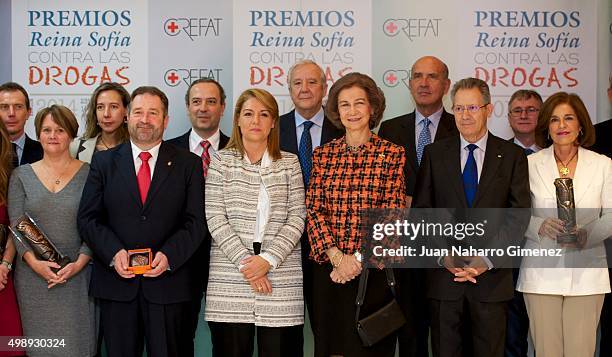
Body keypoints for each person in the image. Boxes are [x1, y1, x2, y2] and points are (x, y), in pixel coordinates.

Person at [77, 86, 205, 357]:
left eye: (153, 113)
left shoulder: (188, 164)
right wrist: (114, 253)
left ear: (166, 120)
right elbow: (88, 218)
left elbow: (196, 222)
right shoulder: (103, 163)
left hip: (169, 286)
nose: (145, 119)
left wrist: (169, 256)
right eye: (138, 112)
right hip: (117, 285)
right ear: (127, 117)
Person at [412, 77, 531, 357]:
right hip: (445, 281)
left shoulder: (512, 155)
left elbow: (518, 215)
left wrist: (487, 259)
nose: (465, 116)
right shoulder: (434, 154)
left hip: (491, 282)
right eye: (459, 108)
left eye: (473, 108)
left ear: (488, 110)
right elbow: (423, 213)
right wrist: (444, 256)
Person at [306, 72, 408, 357]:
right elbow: (314, 209)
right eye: (345, 105)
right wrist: (338, 258)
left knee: (370, 348)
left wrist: (357, 260)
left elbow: (393, 215)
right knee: (331, 347)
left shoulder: (392, 153)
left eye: (359, 103)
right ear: (337, 111)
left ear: (372, 108)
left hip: (373, 272)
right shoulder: (323, 155)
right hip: (330, 272)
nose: (352, 111)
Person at [205, 88, 306, 357]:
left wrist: (268, 260)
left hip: (280, 277)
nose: (256, 121)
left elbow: (297, 216)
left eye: (264, 114)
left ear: (273, 121)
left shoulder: (290, 163)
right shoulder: (220, 161)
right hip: (231, 277)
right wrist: (248, 265)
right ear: (237, 120)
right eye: (248, 114)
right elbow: (215, 217)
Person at [516, 92, 612, 357]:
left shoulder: (603, 165)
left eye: (569, 118)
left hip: (587, 273)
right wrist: (538, 225)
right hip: (541, 274)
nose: (562, 126)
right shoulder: (527, 164)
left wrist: (588, 234)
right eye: (555, 120)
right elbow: (514, 214)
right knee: (546, 352)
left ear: (580, 124)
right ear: (547, 126)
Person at [378, 55, 457, 357]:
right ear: (410, 83)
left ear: (446, 85)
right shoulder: (389, 129)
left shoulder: (460, 127)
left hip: (447, 246)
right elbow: (381, 187)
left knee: (447, 336)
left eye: (432, 76)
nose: (424, 83)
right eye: (418, 76)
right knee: (409, 337)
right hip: (403, 250)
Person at [8, 105, 95, 357]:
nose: (53, 135)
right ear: (38, 134)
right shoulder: (21, 175)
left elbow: (96, 222)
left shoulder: (90, 174)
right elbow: (16, 225)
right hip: (34, 280)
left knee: (77, 347)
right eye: (46, 130)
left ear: (71, 134)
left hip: (77, 277)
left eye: (60, 129)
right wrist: (35, 264)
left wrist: (79, 263)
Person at [279, 59, 343, 337]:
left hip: (331, 246)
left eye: (312, 82)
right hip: (282, 247)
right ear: (290, 89)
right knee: (285, 332)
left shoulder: (343, 128)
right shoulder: (270, 129)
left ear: (325, 87)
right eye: (297, 83)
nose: (304, 89)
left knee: (328, 330)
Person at [167, 78, 230, 349]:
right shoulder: (166, 151)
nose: (203, 108)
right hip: (182, 259)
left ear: (223, 107)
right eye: (196, 101)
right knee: (180, 338)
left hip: (228, 258)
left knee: (228, 341)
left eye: (211, 101)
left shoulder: (239, 149)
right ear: (187, 107)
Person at [504, 89, 542, 357]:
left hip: (549, 258)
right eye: (518, 110)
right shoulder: (498, 154)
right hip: (510, 259)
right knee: (512, 335)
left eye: (531, 110)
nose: (524, 115)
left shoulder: (559, 155)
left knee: (547, 337)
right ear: (508, 117)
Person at [0, 121, 24, 357]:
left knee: (10, 346)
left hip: (3, 278)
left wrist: (5, 265)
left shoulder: (10, 176)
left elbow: (15, 227)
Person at [70, 82, 130, 162]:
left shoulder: (138, 148)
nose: (106, 114)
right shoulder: (76, 147)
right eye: (100, 107)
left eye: (113, 107)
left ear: (126, 110)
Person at [0, 82, 42, 166]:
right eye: (4, 107)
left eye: (18, 107)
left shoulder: (43, 152)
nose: (11, 113)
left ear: (28, 113)